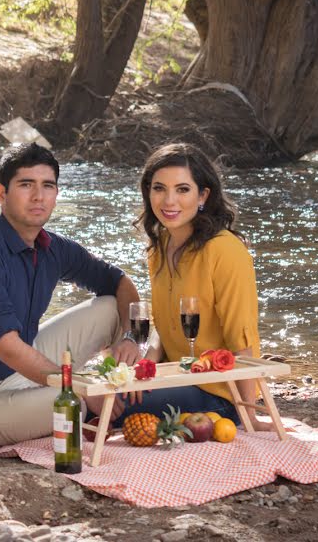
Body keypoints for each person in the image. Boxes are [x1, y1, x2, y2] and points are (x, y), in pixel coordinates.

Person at [0, 143, 141, 447]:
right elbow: (8, 349)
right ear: (1, 193)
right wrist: (80, 388)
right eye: (26, 185)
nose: (38, 196)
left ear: (56, 193)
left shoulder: (51, 247)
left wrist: (131, 338)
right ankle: (99, 405)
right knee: (73, 405)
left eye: (47, 185)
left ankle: (121, 394)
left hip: (21, 375)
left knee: (114, 308)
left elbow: (120, 282)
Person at [112, 142, 271, 430]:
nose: (169, 201)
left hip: (218, 394)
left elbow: (242, 340)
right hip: (175, 375)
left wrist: (248, 416)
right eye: (159, 188)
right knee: (105, 390)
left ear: (203, 195)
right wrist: (144, 368)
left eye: (182, 189)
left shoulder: (225, 250)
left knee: (106, 403)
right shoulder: (159, 246)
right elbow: (162, 326)